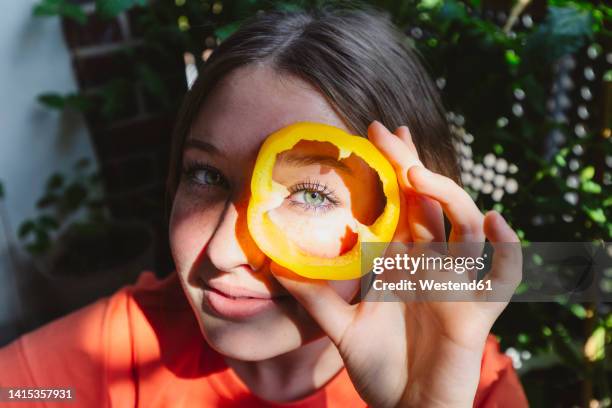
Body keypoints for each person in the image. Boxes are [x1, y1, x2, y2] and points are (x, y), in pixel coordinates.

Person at [0, 6, 528, 407]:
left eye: (313, 195)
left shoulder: (471, 385)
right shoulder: (76, 372)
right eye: (206, 175)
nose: (226, 250)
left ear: (408, 221)